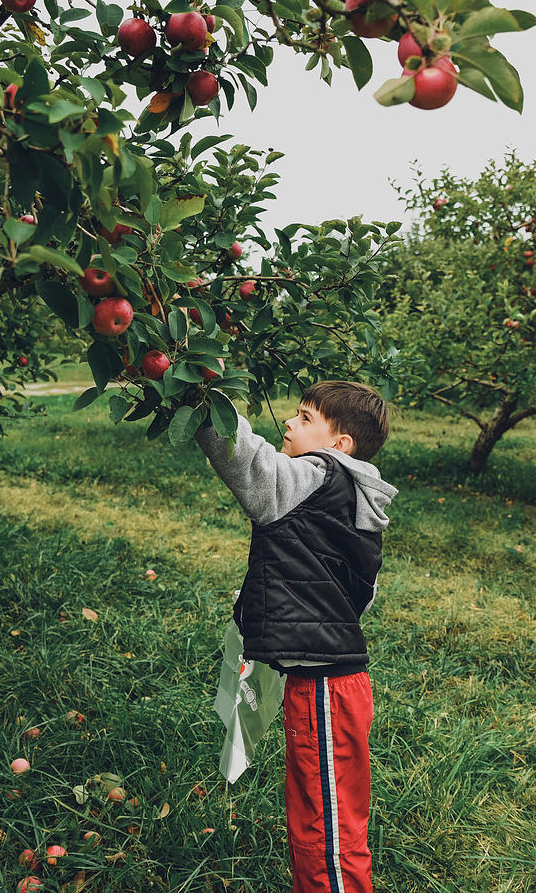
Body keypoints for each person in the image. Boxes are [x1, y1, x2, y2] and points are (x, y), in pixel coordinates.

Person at [195, 380, 398, 893]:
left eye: (305, 418)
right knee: (324, 808)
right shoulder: (356, 502)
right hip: (332, 681)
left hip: (327, 684)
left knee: (326, 824)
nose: (289, 422)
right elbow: (361, 596)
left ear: (339, 444)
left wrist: (201, 394)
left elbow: (249, 461)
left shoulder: (316, 478)